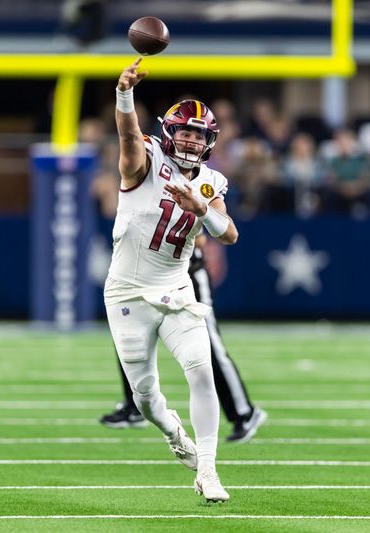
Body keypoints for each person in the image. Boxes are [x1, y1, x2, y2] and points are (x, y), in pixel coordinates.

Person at [104, 58, 238, 502]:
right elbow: (127, 137)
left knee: (201, 370)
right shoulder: (146, 159)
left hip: (177, 289)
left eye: (199, 134)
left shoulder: (210, 183)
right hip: (127, 291)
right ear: (168, 132)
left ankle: (208, 470)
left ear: (208, 141)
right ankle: (171, 430)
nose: (190, 138)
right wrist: (125, 93)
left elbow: (230, 233)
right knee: (145, 397)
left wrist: (202, 210)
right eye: (184, 130)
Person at [100, 234, 267, 443]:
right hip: (147, 279)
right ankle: (134, 406)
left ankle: (244, 412)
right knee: (129, 336)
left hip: (186, 276)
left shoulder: (182, 200)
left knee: (209, 344)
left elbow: (201, 239)